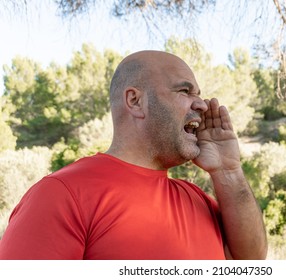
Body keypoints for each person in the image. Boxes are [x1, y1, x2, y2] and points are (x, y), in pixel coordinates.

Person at [0, 50, 267, 260]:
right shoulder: (61, 194)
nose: (201, 104)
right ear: (135, 101)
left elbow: (248, 260)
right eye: (185, 91)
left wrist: (228, 171)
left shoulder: (196, 198)